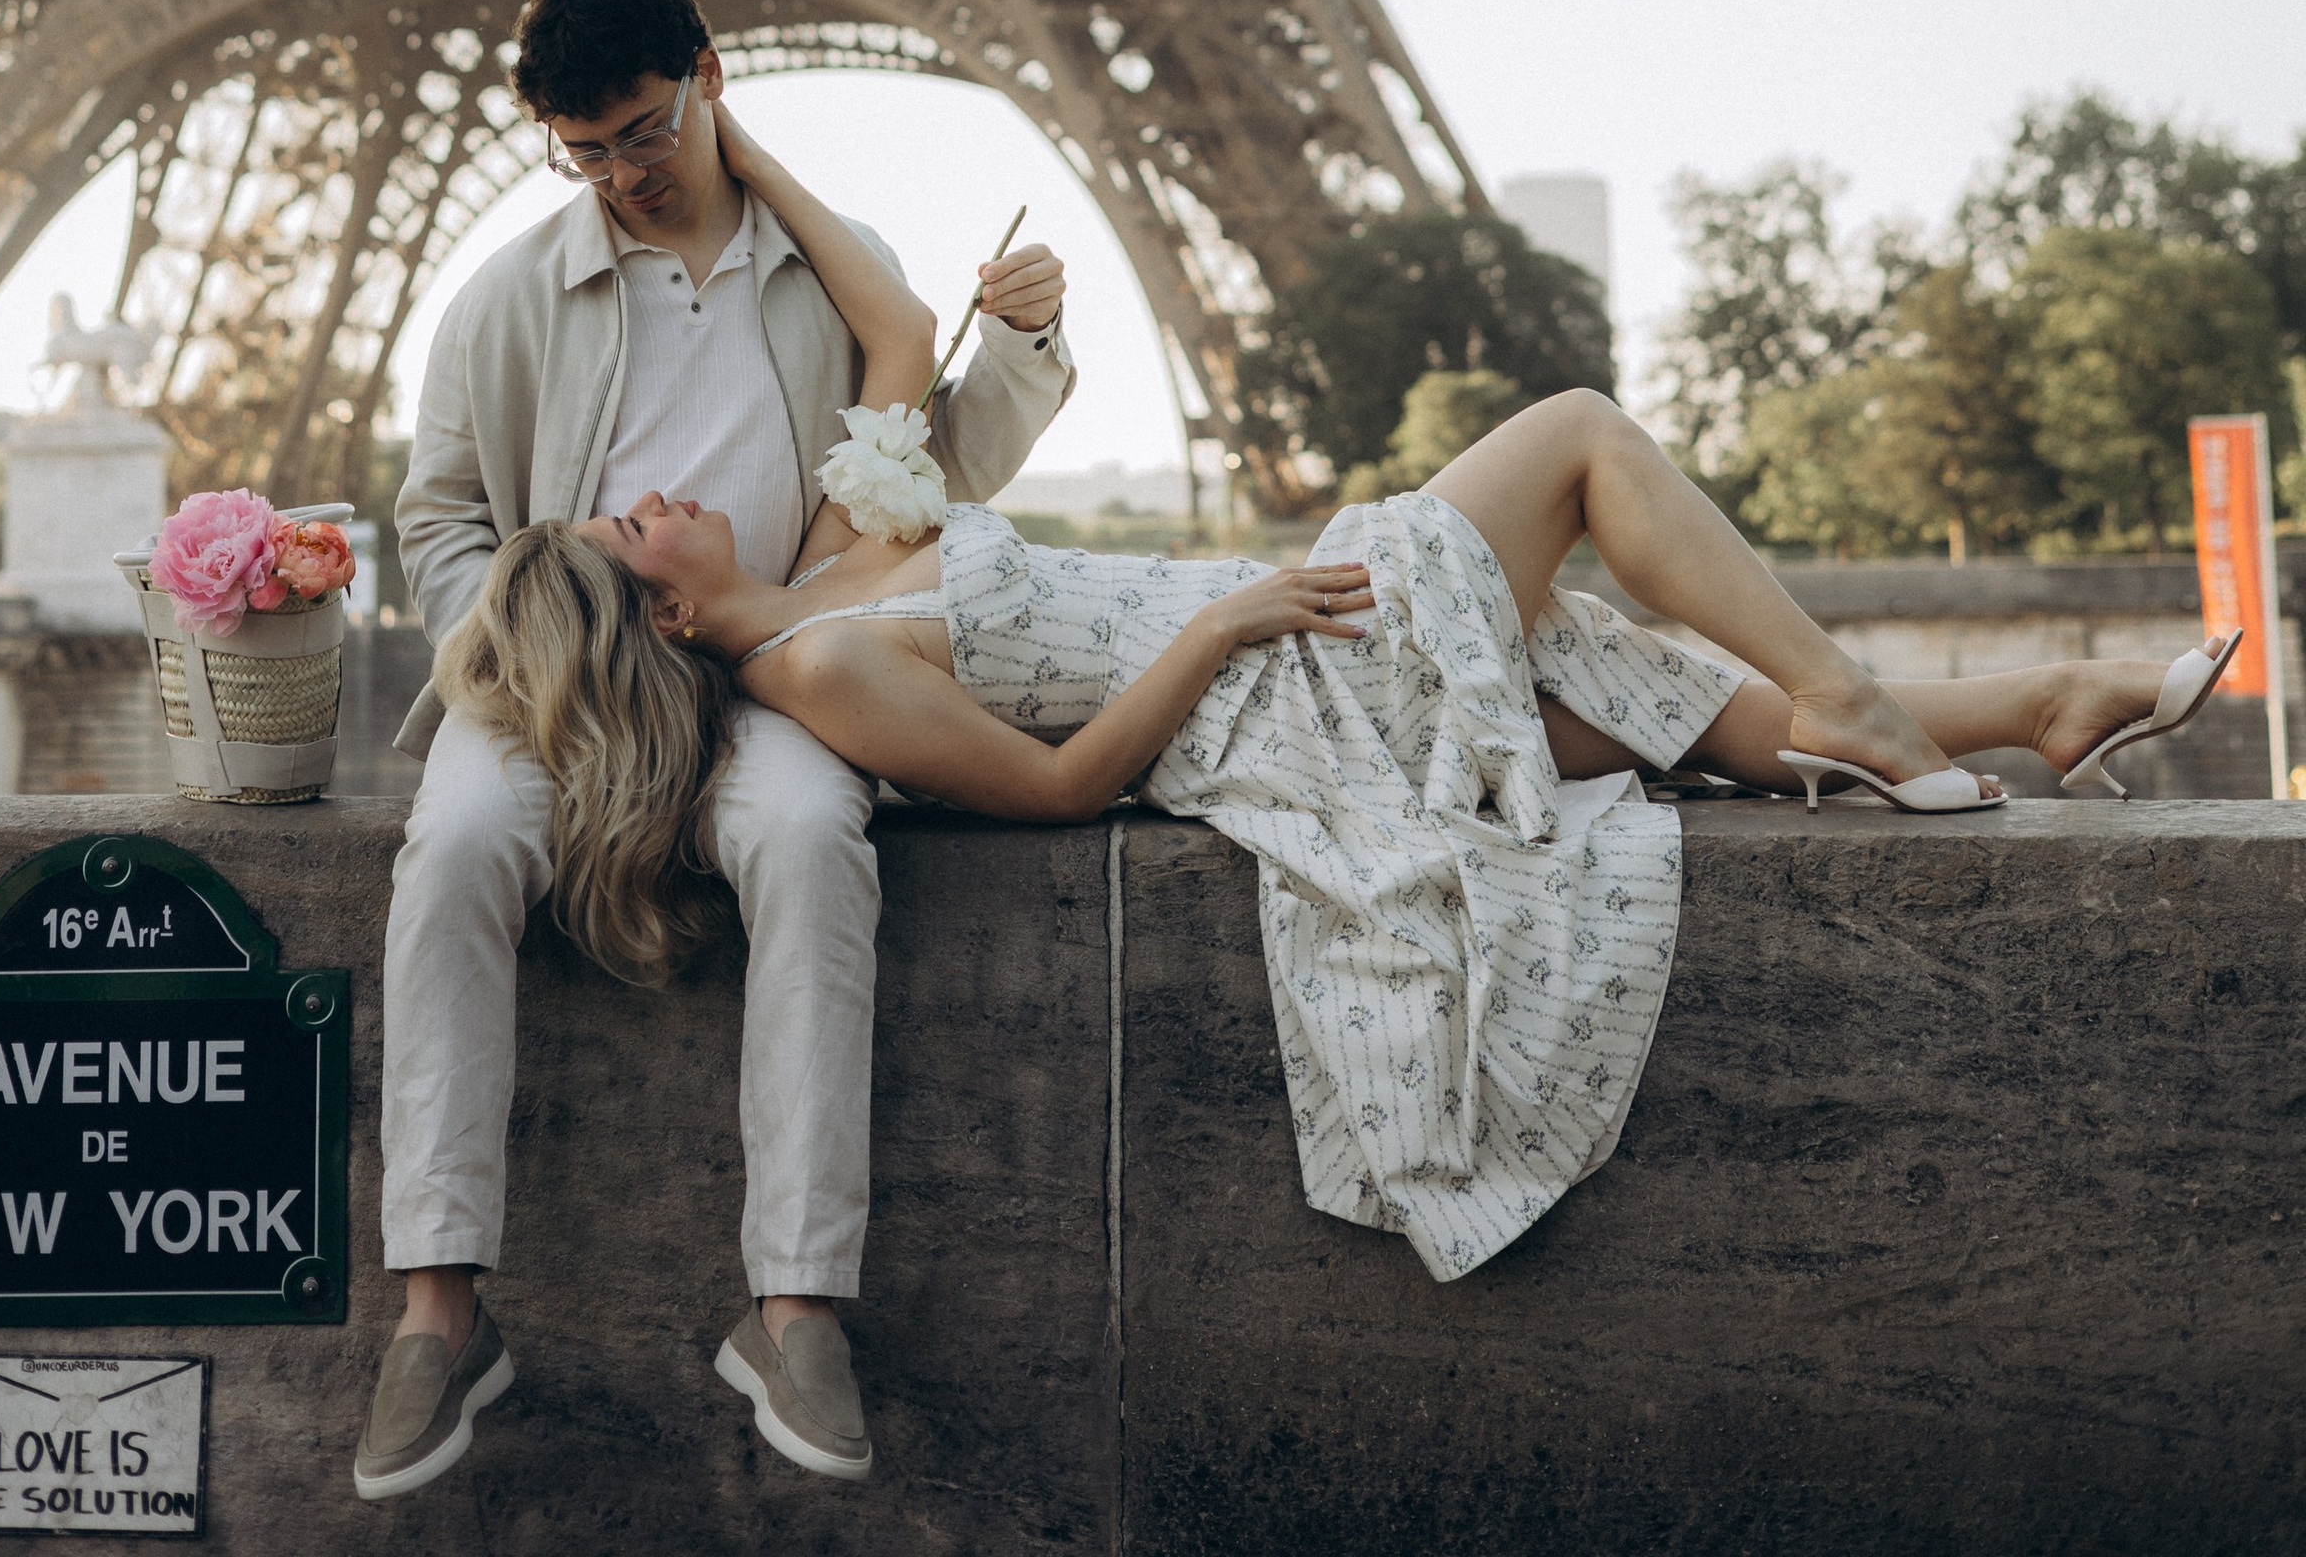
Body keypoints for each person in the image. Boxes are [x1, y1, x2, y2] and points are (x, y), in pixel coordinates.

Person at [443, 191, 2241, 1312]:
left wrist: (729, 137)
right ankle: (1855, 696)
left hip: (1281, 629)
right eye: (627, 534)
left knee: (1628, 701)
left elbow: (900, 327)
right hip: (1272, 684)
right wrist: (1220, 630)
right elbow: (1068, 789)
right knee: (1580, 435)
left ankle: (2039, 703)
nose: (649, 497)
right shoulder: (822, 676)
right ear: (667, 620)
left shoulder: (848, 538)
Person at [355, 0, 1074, 1502]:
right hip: (558, 689)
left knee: (817, 840)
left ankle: (797, 1302)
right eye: (587, 152)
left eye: (641, 129)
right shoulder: (503, 299)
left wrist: (1016, 346)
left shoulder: (831, 269)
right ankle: (438, 1308)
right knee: (458, 845)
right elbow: (440, 519)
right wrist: (534, 654)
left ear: (708, 74)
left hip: (771, 674)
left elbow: (927, 471)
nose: (623, 174)